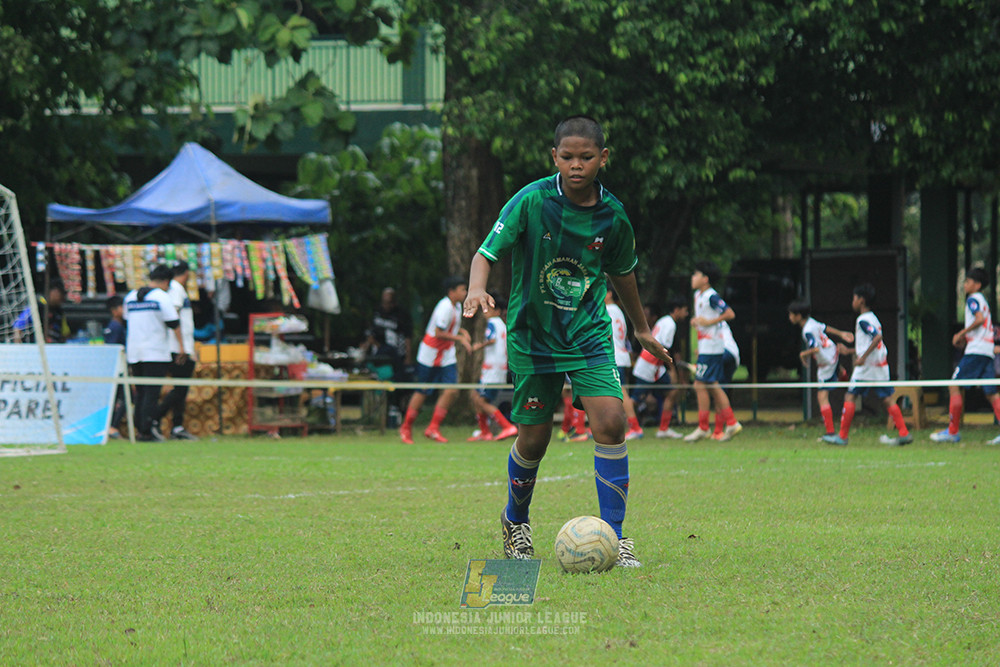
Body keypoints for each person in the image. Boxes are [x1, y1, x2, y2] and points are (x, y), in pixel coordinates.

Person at [464, 115, 672, 568]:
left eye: (586, 157)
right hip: (533, 336)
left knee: (612, 422)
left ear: (603, 158)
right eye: (567, 157)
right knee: (535, 439)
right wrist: (477, 289)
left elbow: (624, 273)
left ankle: (615, 539)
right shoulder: (531, 200)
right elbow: (486, 253)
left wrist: (640, 328)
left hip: (587, 334)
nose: (576, 165)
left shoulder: (612, 216)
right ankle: (515, 521)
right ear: (553, 156)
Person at [822, 283, 913, 446]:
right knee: (887, 399)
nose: (853, 301)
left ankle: (842, 436)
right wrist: (850, 351)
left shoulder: (863, 320)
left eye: (854, 298)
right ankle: (904, 433)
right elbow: (871, 343)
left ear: (861, 301)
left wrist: (862, 358)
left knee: (850, 395)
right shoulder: (873, 318)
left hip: (867, 368)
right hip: (880, 366)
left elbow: (877, 338)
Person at [398, 276, 473, 444]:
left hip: (446, 354)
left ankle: (433, 428)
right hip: (430, 354)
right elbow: (438, 332)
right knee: (423, 391)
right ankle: (406, 427)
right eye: (462, 289)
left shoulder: (457, 306)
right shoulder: (444, 307)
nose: (465, 292)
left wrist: (461, 332)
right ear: (451, 292)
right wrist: (459, 339)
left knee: (452, 390)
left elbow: (449, 326)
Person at [930, 268, 1000, 443]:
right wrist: (967, 338)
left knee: (954, 385)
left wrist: (960, 334)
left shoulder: (973, 299)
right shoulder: (983, 300)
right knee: (991, 393)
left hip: (976, 351)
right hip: (987, 351)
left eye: (968, 281)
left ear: (977, 285)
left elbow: (979, 320)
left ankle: (952, 431)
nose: (965, 284)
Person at [124, 264, 184, 442]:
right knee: (151, 393)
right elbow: (174, 323)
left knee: (140, 392)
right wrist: (181, 347)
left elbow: (128, 320)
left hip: (134, 352)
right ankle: (146, 430)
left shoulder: (130, 297)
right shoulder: (162, 297)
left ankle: (139, 429)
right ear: (166, 282)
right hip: (155, 352)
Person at [685, 261, 742, 442]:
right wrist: (697, 321)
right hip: (705, 347)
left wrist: (708, 322)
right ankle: (730, 422)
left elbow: (730, 314)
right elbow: (704, 318)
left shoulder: (711, 296)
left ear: (705, 279)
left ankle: (705, 426)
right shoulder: (698, 296)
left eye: (696, 274)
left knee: (701, 384)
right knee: (710, 384)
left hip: (713, 347)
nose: (693, 278)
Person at [788, 300, 850, 439]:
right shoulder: (811, 322)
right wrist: (841, 334)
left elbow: (815, 348)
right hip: (832, 351)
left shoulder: (807, 330)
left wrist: (803, 354)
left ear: (798, 316)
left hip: (826, 361)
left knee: (822, 397)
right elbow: (825, 328)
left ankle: (830, 432)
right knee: (837, 371)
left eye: (791, 314)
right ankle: (843, 376)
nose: (790, 317)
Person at [152, 261, 198, 441]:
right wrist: (183, 348)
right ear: (186, 274)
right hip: (178, 347)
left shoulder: (172, 289)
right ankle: (155, 417)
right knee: (180, 388)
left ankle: (177, 426)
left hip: (179, 346)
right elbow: (175, 316)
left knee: (182, 389)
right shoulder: (176, 288)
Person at [632, 296, 689, 438]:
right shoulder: (670, 324)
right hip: (648, 365)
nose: (686, 314)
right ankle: (628, 427)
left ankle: (663, 429)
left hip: (656, 367)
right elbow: (664, 349)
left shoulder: (664, 321)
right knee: (633, 400)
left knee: (672, 391)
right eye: (685, 311)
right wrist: (672, 370)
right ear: (677, 310)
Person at [466, 295, 519, 442]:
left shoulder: (493, 322)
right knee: (475, 396)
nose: (484, 311)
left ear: (497, 311)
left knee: (482, 401)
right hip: (497, 368)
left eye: (487, 307)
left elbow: (492, 339)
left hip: (492, 369)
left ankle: (507, 426)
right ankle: (485, 432)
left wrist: (478, 345)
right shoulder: (503, 324)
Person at [605, 288, 644, 440]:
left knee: (622, 393)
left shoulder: (608, 310)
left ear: (608, 294)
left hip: (614, 356)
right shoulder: (618, 310)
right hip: (620, 355)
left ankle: (635, 427)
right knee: (617, 393)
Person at [360, 287, 413, 381]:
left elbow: (408, 336)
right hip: (378, 353)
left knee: (396, 377)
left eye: (388, 302)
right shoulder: (377, 312)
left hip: (396, 353)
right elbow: (371, 333)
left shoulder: (402, 314)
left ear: (394, 302)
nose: (385, 305)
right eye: (384, 302)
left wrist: (408, 357)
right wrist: (364, 348)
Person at [12, 279, 70, 343]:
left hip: (55, 348)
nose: (63, 297)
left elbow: (65, 334)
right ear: (54, 292)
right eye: (61, 293)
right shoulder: (36, 307)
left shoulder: (60, 312)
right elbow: (18, 326)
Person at [103, 295, 128, 439]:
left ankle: (112, 426)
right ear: (114, 311)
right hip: (117, 369)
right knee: (123, 397)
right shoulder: (115, 327)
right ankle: (112, 426)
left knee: (122, 397)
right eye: (122, 307)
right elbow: (112, 349)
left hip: (118, 368)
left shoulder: (118, 326)